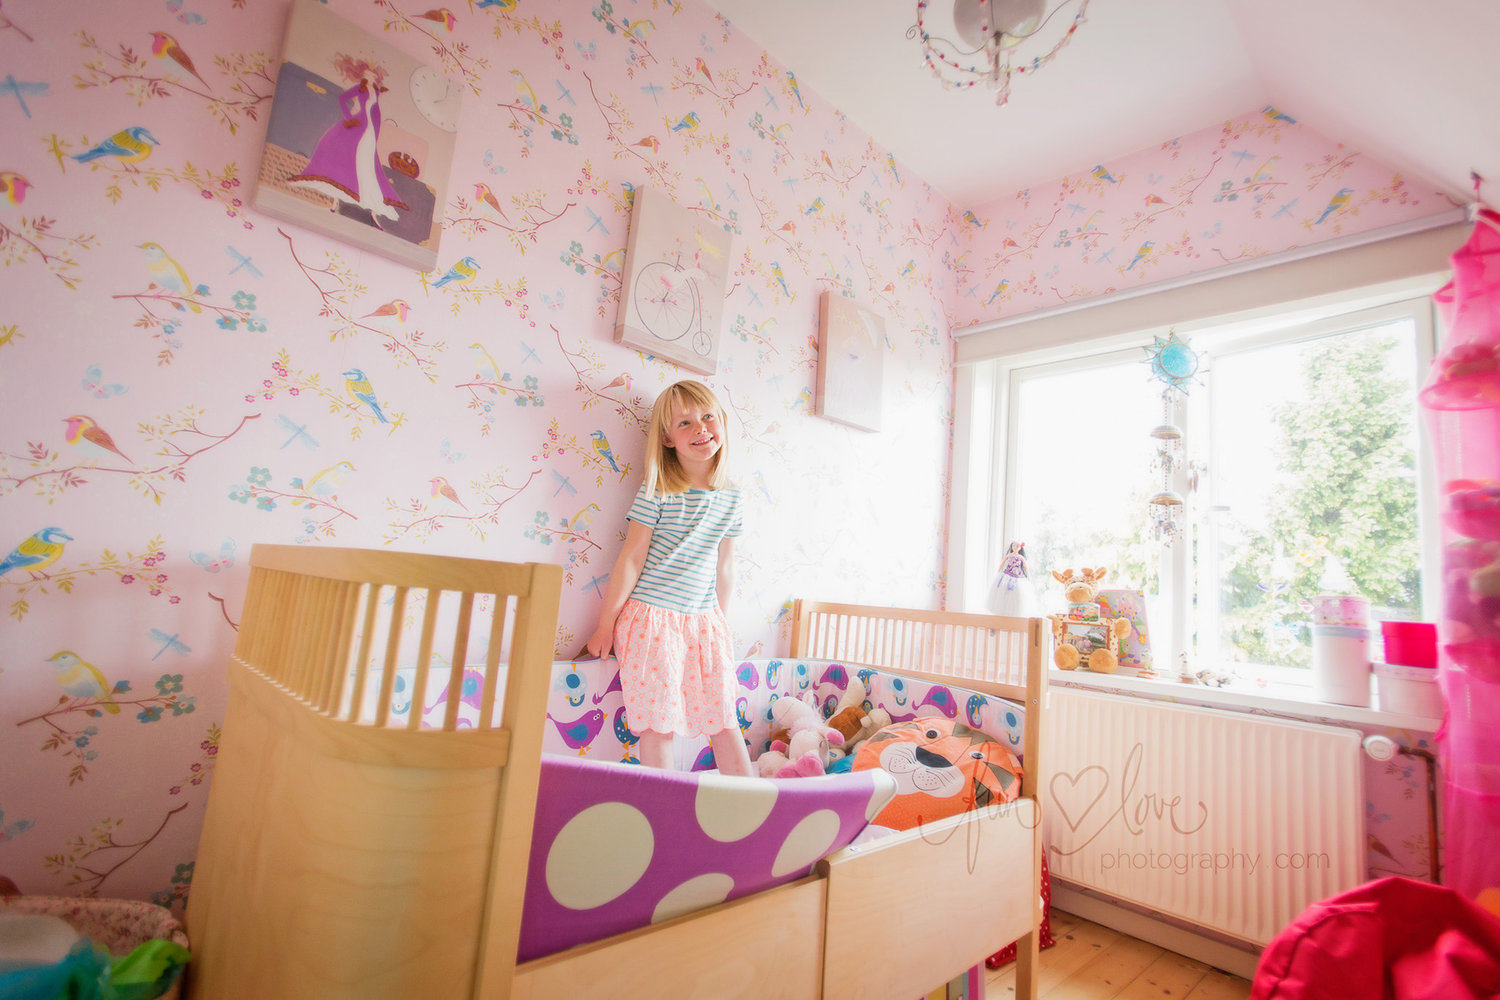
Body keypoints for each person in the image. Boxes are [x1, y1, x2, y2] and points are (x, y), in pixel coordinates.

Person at [584, 380, 753, 777]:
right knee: (658, 725)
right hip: (652, 619)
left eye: (708, 417)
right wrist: (606, 623)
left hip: (704, 620)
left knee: (724, 719)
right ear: (667, 439)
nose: (701, 428)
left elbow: (726, 566)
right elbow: (632, 556)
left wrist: (720, 626)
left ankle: (754, 809)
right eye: (686, 423)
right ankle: (663, 817)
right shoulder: (659, 488)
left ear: (722, 423)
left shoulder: (732, 496)